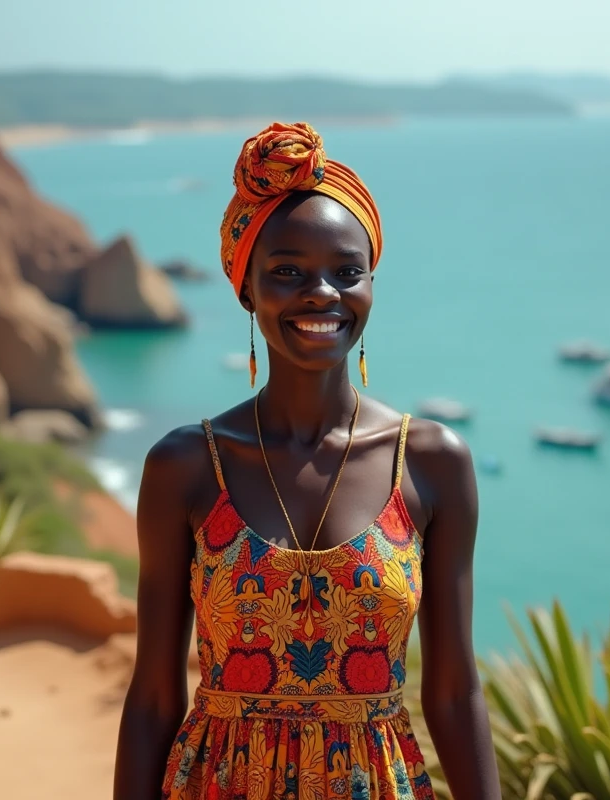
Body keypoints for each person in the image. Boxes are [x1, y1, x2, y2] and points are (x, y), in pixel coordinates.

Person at [114, 122, 499, 799]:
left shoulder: (434, 464)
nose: (322, 293)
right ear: (246, 288)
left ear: (371, 286)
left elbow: (455, 693)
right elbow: (151, 697)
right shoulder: (185, 467)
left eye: (347, 272)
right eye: (288, 272)